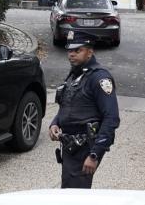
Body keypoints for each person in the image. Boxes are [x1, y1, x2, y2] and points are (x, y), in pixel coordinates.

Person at [48, 32, 120, 189]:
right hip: (69, 146)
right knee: (68, 190)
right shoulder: (76, 74)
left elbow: (111, 118)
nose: (72, 54)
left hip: (86, 147)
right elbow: (68, 104)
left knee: (76, 196)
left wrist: (94, 155)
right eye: (70, 50)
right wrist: (55, 122)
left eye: (77, 50)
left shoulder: (99, 78)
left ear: (90, 52)